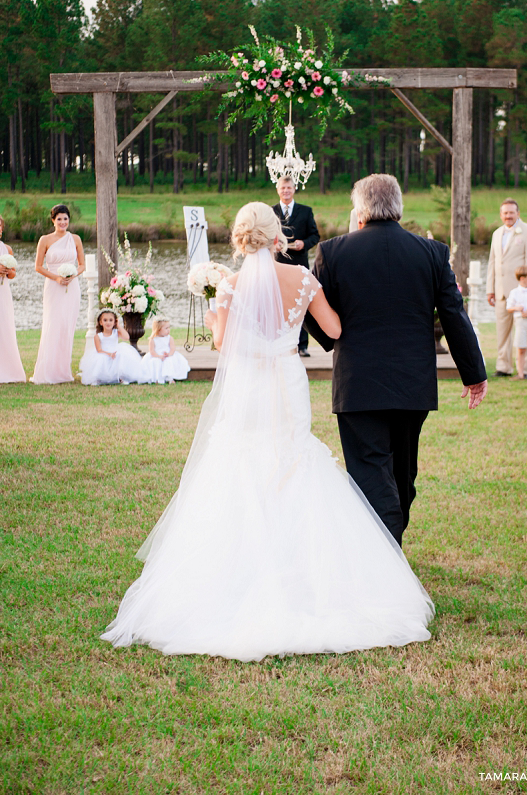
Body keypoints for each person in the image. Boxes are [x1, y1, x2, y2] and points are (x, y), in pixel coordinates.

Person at [101, 202, 434, 660]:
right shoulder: (302, 279)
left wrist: (218, 305)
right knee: (293, 459)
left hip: (249, 387)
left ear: (239, 240)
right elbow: (334, 329)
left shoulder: (230, 286)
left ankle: (239, 574)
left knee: (242, 461)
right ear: (277, 236)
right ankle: (306, 574)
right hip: (286, 379)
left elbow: (221, 343)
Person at [304, 174, 487, 548]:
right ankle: (388, 557)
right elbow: (454, 314)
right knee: (402, 476)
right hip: (412, 383)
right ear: (397, 206)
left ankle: (385, 561)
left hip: (358, 384)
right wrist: (474, 373)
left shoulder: (333, 252)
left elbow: (313, 309)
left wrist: (329, 338)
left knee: (372, 473)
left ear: (361, 210)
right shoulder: (432, 252)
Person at [486, 198, 527, 377]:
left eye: (511, 212)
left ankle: (523, 370)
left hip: (521, 292)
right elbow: (492, 263)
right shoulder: (496, 234)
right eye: (505, 213)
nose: (508, 216)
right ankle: (503, 367)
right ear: (501, 215)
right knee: (502, 332)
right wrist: (490, 289)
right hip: (501, 291)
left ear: (518, 213)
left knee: (522, 331)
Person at [31, 204, 84, 384]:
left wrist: (72, 274)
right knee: (52, 324)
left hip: (72, 286)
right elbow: (38, 267)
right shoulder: (45, 240)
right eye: (59, 219)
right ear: (53, 220)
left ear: (69, 220)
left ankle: (63, 372)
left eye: (65, 219)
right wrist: (57, 278)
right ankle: (47, 372)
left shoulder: (75, 239)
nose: (63, 222)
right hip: (53, 286)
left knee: (66, 326)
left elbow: (82, 264)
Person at [272, 175, 320, 357]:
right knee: (278, 304)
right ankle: (279, 343)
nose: (286, 191)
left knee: (301, 303)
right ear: (278, 190)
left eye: (289, 188)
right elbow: (267, 235)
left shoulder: (306, 211)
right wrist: (273, 245)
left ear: (294, 190)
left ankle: (302, 345)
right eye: (283, 188)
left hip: (299, 263)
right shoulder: (271, 211)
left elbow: (315, 236)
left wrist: (304, 243)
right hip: (278, 263)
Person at [79, 309, 145, 386]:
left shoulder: (116, 332)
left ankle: (122, 377)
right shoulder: (98, 336)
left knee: (120, 356)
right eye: (105, 320)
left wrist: (118, 326)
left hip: (116, 350)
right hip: (104, 352)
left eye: (111, 320)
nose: (108, 322)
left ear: (114, 322)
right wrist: (109, 354)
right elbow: (99, 350)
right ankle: (98, 378)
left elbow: (127, 337)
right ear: (101, 322)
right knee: (101, 358)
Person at [0, 215, 26, 384]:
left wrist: (7, 271)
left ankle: (8, 370)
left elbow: (13, 274)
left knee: (5, 327)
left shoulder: (6, 248)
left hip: (3, 292)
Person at [142, 319, 190, 384]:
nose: (168, 330)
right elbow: (152, 351)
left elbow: (172, 348)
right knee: (155, 362)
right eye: (166, 328)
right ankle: (157, 379)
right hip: (156, 355)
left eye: (169, 328)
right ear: (158, 329)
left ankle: (169, 378)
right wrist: (159, 356)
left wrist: (169, 354)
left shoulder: (169, 338)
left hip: (168, 355)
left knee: (169, 361)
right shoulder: (153, 339)